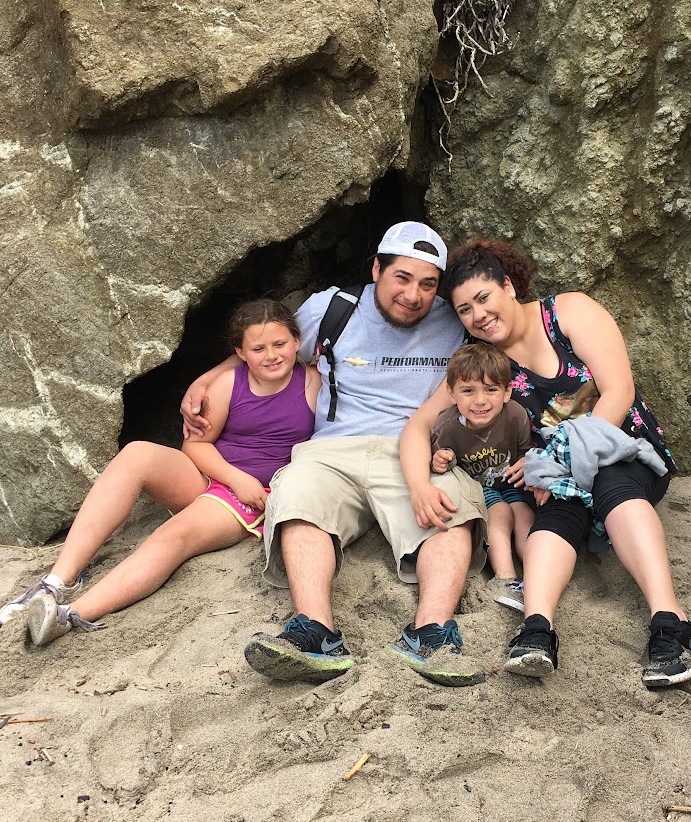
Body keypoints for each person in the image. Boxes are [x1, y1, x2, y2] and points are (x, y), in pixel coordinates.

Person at [180, 222, 488, 687]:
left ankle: (432, 634)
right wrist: (204, 380)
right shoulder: (334, 307)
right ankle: (315, 632)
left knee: (452, 505)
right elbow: (266, 347)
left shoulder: (455, 321)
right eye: (401, 278)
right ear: (377, 269)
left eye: (428, 284)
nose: (413, 295)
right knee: (297, 494)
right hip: (332, 450)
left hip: (415, 451)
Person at [400, 239, 691, 687]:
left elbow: (619, 390)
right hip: (555, 477)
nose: (478, 315)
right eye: (465, 309)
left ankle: (671, 623)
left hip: (621, 448)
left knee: (612, 485)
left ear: (508, 286)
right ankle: (536, 630)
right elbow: (418, 427)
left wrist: (557, 457)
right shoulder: (484, 363)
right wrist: (419, 486)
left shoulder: (568, 312)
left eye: (483, 298)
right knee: (554, 515)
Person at [1, 300, 320, 646]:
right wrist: (234, 477)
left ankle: (70, 615)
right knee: (136, 453)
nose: (271, 355)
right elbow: (195, 446)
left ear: (296, 342)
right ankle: (58, 581)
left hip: (252, 498)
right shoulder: (228, 383)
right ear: (240, 353)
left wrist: (244, 484)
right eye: (258, 348)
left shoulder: (313, 383)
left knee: (175, 533)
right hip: (216, 477)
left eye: (280, 344)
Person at [430, 342, 534, 612]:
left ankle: (536, 572)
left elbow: (525, 451)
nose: (480, 401)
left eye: (491, 389)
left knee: (524, 514)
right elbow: (436, 463)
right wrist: (439, 459)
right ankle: (505, 578)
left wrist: (526, 461)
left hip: (508, 480)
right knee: (500, 512)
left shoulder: (516, 415)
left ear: (507, 391)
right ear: (451, 393)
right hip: (475, 487)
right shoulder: (446, 426)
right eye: (468, 391)